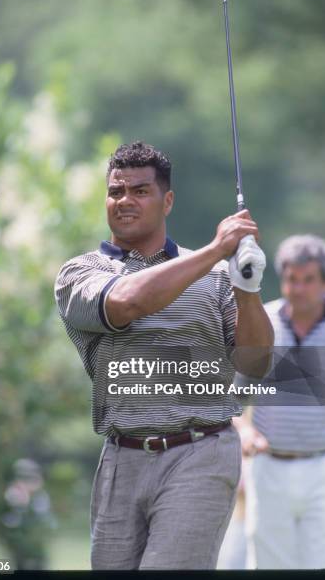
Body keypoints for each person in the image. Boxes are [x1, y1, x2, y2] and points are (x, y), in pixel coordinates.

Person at [54, 141, 273, 570]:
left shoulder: (214, 279)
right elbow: (126, 303)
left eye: (140, 190)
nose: (125, 201)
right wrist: (216, 249)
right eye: (117, 191)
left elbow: (256, 363)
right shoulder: (80, 273)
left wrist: (248, 287)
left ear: (167, 200)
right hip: (121, 456)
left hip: (200, 451)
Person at [234, 234, 325, 570]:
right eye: (292, 279)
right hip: (268, 466)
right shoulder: (262, 324)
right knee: (268, 564)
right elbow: (230, 401)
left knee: (322, 563)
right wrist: (245, 433)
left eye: (308, 280)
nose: (298, 288)